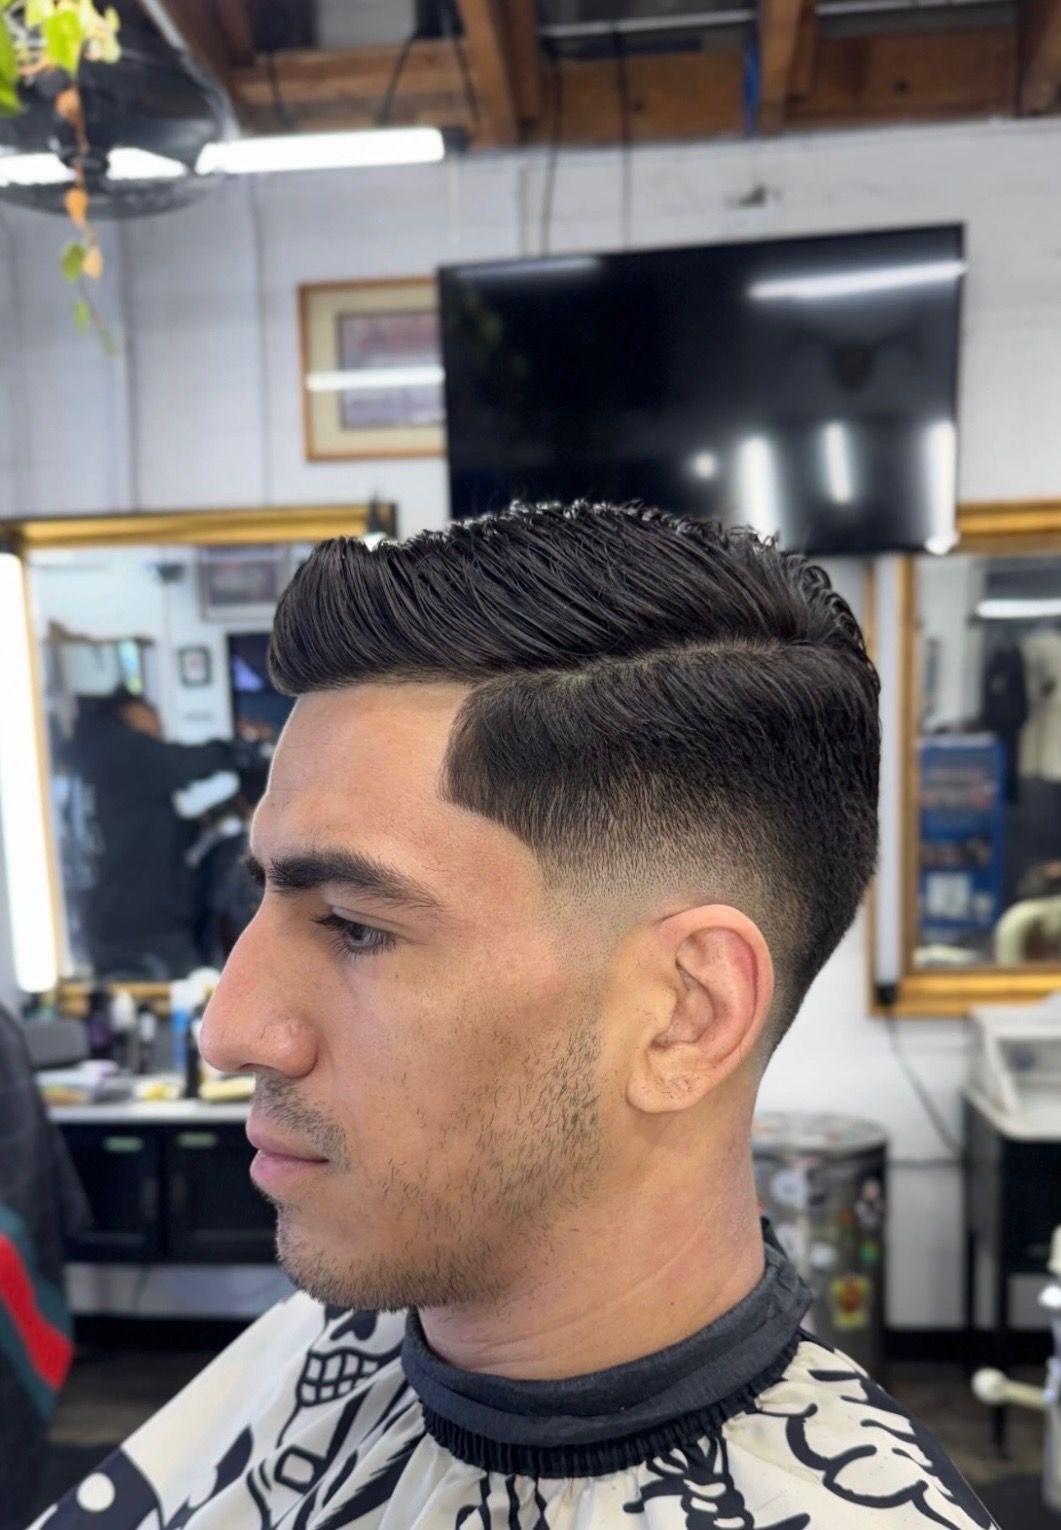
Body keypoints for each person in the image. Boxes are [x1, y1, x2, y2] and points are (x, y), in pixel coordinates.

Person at [35, 504, 995, 1528]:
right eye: (263, 891)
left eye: (355, 926)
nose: (227, 1030)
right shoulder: (312, 1353)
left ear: (686, 1015)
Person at [68, 689, 238, 979]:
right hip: (146, 924)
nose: (161, 729)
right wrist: (235, 750)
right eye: (155, 717)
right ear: (131, 713)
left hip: (108, 921)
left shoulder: (91, 762)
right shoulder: (124, 751)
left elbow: (135, 828)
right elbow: (188, 763)